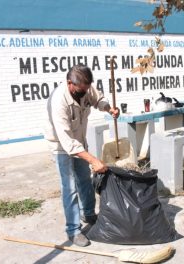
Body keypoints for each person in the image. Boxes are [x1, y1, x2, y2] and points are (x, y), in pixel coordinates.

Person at [46, 64, 119, 247]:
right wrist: (94, 159)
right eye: (82, 89)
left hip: (80, 143)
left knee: (85, 180)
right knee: (70, 188)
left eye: (87, 88)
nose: (86, 92)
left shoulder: (85, 87)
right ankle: (73, 230)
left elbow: (98, 99)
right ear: (70, 83)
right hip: (62, 147)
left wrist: (108, 108)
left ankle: (88, 213)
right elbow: (68, 143)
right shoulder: (58, 102)